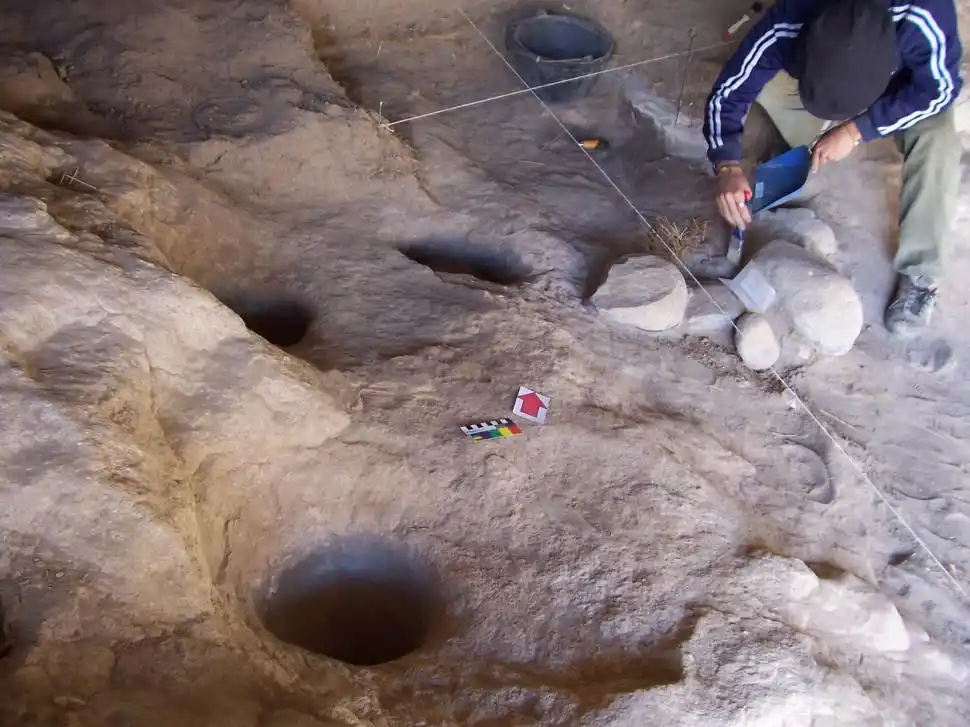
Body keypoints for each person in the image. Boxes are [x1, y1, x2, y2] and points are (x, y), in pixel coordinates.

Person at [703, 0, 963, 337]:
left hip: (902, 87)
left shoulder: (923, 12)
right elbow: (730, 91)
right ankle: (801, 147)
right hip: (819, 74)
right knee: (765, 86)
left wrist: (858, 130)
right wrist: (726, 163)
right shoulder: (792, 19)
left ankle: (921, 272)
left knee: (938, 141)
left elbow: (941, 89)